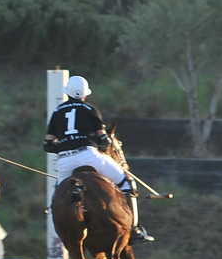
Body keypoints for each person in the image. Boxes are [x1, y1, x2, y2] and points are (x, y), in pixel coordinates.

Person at [44, 75, 154, 242]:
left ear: (67, 93)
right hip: (88, 155)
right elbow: (103, 139)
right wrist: (104, 144)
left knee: (58, 195)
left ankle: (60, 225)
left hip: (65, 161)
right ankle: (134, 229)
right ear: (84, 94)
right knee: (126, 181)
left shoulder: (57, 112)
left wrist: (63, 146)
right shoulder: (89, 109)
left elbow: (48, 144)